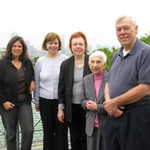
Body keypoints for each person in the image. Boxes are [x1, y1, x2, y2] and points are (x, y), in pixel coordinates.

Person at [103, 16, 150, 150]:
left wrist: (114, 102)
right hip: (113, 115)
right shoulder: (116, 55)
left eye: (126, 28)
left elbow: (145, 88)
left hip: (136, 118)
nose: (122, 32)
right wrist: (109, 104)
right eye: (119, 29)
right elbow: (108, 82)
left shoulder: (146, 52)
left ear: (136, 29)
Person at [34, 32, 68, 150]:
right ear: (45, 45)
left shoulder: (65, 60)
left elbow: (67, 83)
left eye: (55, 43)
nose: (53, 45)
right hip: (45, 101)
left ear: (59, 45)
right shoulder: (40, 61)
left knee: (61, 131)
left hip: (61, 101)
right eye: (50, 43)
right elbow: (37, 82)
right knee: (47, 131)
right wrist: (36, 101)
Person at [0, 36, 35, 150]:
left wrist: (33, 81)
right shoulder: (3, 63)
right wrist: (3, 101)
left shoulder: (27, 62)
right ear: (10, 47)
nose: (17, 48)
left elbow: (32, 74)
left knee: (28, 130)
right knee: (11, 134)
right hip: (8, 103)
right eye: (14, 46)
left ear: (23, 48)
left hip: (24, 102)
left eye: (19, 46)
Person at [58, 32, 91, 150]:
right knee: (74, 138)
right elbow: (61, 88)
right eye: (75, 44)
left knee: (87, 137)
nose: (78, 46)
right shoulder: (66, 64)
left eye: (80, 44)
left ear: (85, 46)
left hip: (89, 107)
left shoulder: (91, 61)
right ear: (71, 47)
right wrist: (60, 109)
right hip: (71, 108)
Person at [82, 51, 107, 150]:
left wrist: (97, 107)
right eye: (92, 62)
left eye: (98, 62)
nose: (94, 65)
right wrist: (86, 104)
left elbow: (115, 104)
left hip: (106, 125)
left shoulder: (111, 78)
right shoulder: (86, 79)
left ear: (104, 65)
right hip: (91, 126)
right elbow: (82, 100)